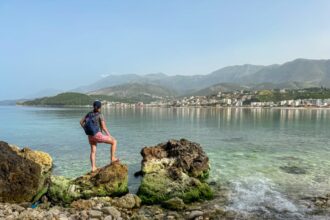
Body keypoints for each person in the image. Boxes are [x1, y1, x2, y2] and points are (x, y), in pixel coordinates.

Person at [80, 100, 119, 172]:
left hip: (90, 136)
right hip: (97, 135)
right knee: (114, 142)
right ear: (99, 107)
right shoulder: (100, 114)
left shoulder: (89, 114)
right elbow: (104, 127)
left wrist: (85, 129)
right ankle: (113, 158)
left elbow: (81, 122)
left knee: (93, 151)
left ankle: (93, 167)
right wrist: (110, 136)